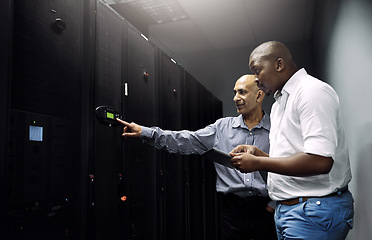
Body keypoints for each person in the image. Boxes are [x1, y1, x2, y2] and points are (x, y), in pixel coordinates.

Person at [116, 74, 277, 240]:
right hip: (232, 211)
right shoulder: (221, 127)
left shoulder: (277, 129)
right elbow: (186, 140)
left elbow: (286, 168)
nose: (236, 98)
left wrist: (273, 205)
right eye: (235, 92)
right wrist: (145, 132)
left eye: (242, 92)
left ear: (259, 95)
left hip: (266, 210)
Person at [230, 41, 354, 240]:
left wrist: (258, 163)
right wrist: (259, 154)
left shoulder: (311, 92)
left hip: (312, 211)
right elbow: (295, 156)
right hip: (291, 210)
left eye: (257, 70)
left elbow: (320, 161)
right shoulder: (281, 101)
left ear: (279, 64)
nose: (255, 78)